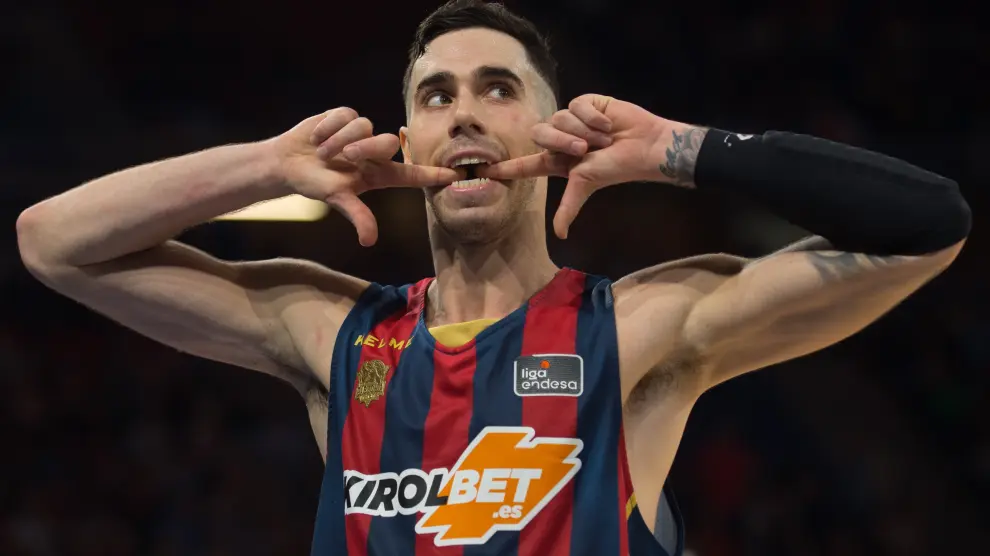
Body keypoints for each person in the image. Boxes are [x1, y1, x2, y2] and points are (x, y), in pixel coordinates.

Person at [15, 0, 971, 555]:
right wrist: (267, 165)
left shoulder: (640, 324)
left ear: (551, 133)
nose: (464, 113)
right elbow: (53, 243)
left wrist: (678, 150)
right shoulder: (333, 330)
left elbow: (927, 226)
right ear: (409, 140)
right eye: (437, 96)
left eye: (498, 89)